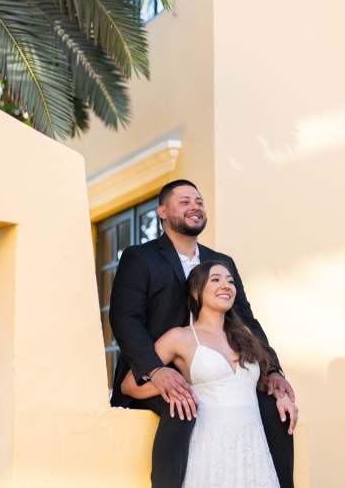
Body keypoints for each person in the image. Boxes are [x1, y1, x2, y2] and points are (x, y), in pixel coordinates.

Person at [109, 180, 297, 488]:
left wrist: (273, 370)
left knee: (276, 413)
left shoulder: (220, 263)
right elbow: (125, 318)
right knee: (182, 409)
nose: (195, 206)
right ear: (162, 212)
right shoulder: (140, 257)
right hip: (156, 368)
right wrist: (155, 370)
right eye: (184, 202)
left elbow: (246, 320)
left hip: (219, 368)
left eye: (199, 201)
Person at [122, 260, 292, 487]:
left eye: (230, 281)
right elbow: (129, 385)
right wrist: (178, 387)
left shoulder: (246, 335)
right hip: (209, 447)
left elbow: (259, 382)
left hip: (252, 449)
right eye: (216, 280)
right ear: (195, 292)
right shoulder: (179, 337)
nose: (226, 286)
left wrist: (281, 396)